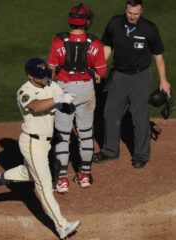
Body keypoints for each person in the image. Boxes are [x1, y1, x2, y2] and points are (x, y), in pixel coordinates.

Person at [0, 58, 80, 239]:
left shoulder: (52, 85)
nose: (46, 78)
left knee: (27, 173)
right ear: (30, 76)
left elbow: (66, 107)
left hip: (45, 143)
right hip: (32, 143)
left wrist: (67, 104)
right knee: (44, 186)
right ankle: (62, 226)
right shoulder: (24, 91)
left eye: (47, 75)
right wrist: (57, 99)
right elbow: (35, 107)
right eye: (42, 76)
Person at [93, 0, 171, 168]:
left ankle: (141, 155)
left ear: (141, 10)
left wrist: (163, 80)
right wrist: (100, 68)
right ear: (125, 9)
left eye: (136, 13)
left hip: (140, 76)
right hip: (119, 75)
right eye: (130, 13)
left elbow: (158, 55)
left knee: (139, 117)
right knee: (110, 113)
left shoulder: (149, 29)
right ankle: (110, 151)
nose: (132, 16)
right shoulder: (115, 23)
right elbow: (107, 47)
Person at [47, 3, 107, 194]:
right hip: (86, 91)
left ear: (70, 20)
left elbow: (51, 69)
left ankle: (62, 179)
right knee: (86, 133)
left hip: (65, 91)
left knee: (63, 137)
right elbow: (101, 72)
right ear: (87, 22)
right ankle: (85, 175)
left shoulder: (58, 41)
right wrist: (95, 74)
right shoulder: (94, 43)